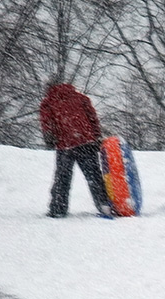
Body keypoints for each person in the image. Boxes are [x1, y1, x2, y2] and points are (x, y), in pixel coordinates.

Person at [38, 79, 113, 218]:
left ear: (49, 88)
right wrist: (96, 136)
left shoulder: (48, 102)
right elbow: (93, 118)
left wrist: (49, 139)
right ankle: (104, 206)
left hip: (65, 145)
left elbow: (47, 123)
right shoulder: (80, 98)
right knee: (94, 177)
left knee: (62, 178)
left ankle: (58, 209)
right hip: (86, 142)